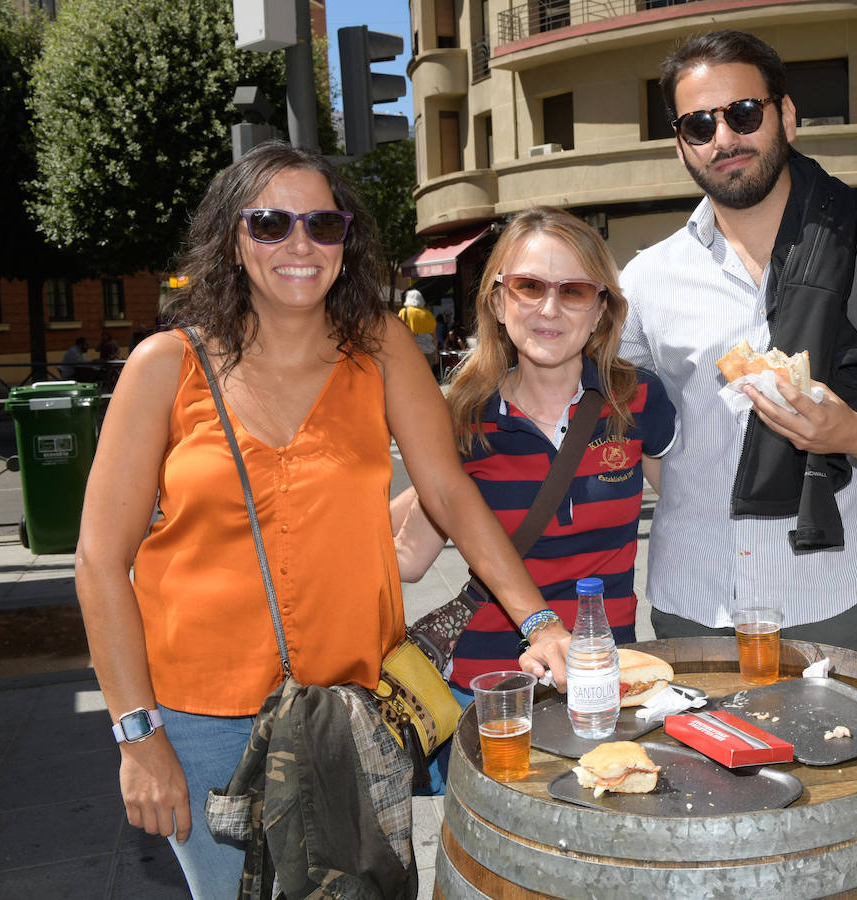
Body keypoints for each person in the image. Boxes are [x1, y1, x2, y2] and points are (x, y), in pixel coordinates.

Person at [73, 142, 569, 899]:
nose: (299, 245)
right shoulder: (163, 365)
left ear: (348, 242)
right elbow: (99, 562)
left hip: (351, 709)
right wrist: (137, 738)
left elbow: (446, 491)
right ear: (233, 241)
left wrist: (538, 621)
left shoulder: (381, 351)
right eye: (270, 224)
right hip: (202, 719)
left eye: (323, 225)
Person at [618, 29, 857, 665]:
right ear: (681, 144)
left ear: (787, 116)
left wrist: (846, 433)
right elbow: (625, 427)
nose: (724, 138)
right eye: (699, 125)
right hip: (699, 607)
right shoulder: (647, 283)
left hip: (843, 602)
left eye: (743, 114)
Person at [391, 205, 676, 694]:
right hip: (487, 691)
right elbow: (411, 557)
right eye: (529, 287)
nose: (549, 309)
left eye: (575, 290)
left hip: (602, 677)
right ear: (499, 303)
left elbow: (693, 504)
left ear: (601, 309)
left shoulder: (638, 399)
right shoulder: (462, 417)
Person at [398, 288, 440, 371]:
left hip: (412, 352)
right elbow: (434, 337)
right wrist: (435, 354)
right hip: (428, 352)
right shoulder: (428, 314)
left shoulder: (404, 312)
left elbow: (399, 334)